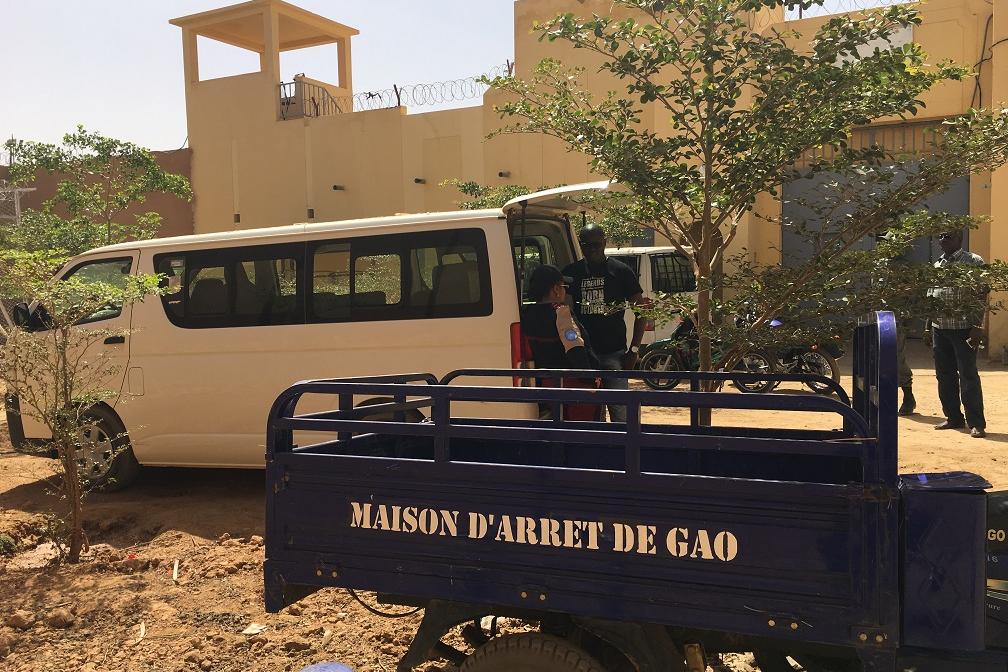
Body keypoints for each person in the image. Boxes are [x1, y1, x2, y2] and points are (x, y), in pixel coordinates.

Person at [563, 225, 645, 423]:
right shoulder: (571, 273)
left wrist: (634, 350)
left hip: (613, 355)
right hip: (582, 358)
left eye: (596, 244)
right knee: (587, 415)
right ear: (580, 245)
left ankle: (625, 444)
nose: (592, 249)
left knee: (622, 415)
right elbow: (565, 315)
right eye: (587, 245)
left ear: (605, 243)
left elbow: (642, 312)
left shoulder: (621, 271)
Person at [926, 229, 987, 438]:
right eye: (940, 236)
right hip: (940, 329)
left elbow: (981, 294)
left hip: (964, 330)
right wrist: (928, 327)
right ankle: (953, 417)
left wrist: (977, 326)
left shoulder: (973, 261)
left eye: (948, 236)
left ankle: (976, 423)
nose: (943, 239)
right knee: (944, 376)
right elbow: (931, 297)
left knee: (968, 376)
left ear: (960, 239)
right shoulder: (937, 264)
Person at [520, 264, 600, 420]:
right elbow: (575, 348)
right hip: (570, 389)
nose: (565, 291)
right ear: (556, 289)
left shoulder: (525, 314)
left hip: (543, 387)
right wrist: (590, 379)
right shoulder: (561, 313)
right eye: (564, 287)